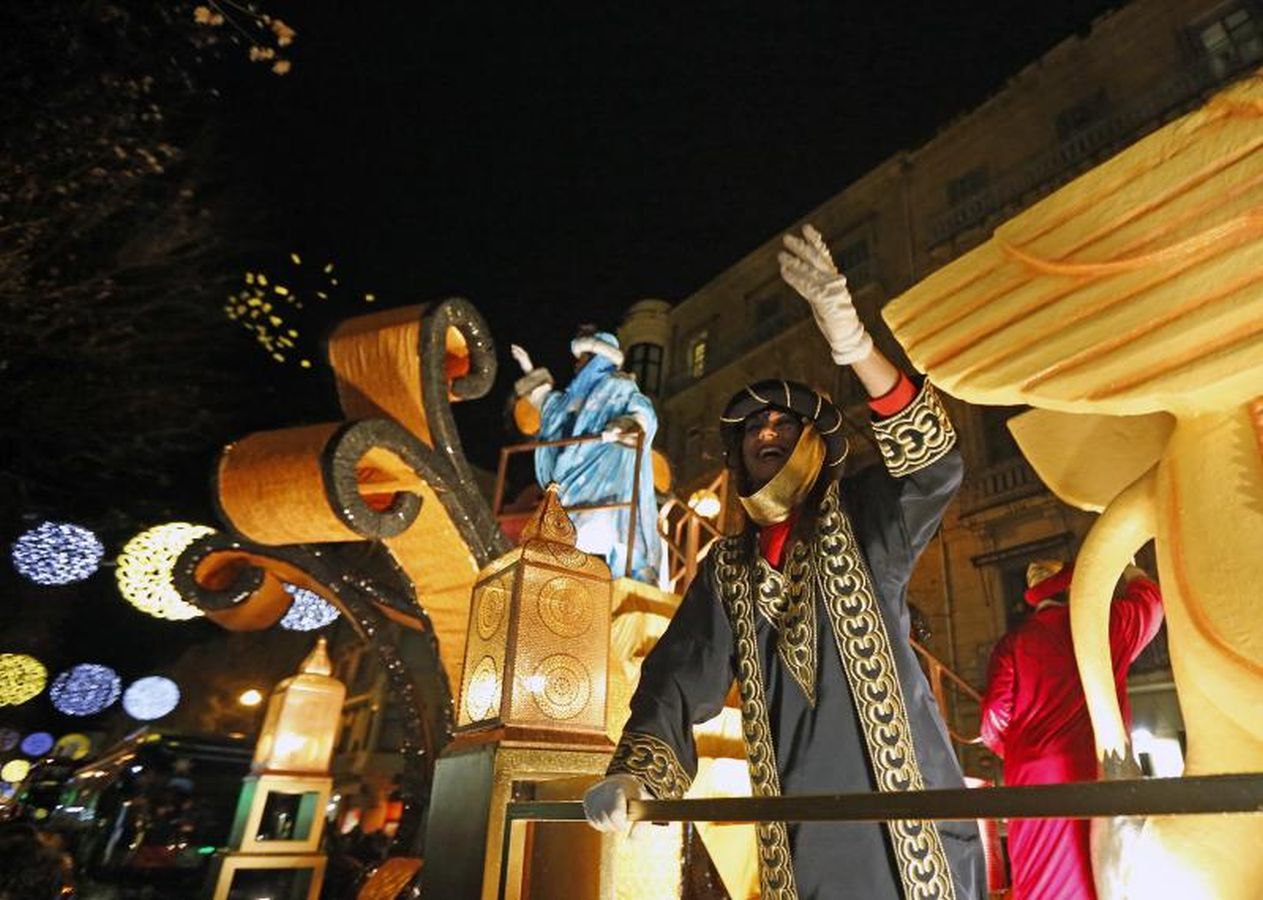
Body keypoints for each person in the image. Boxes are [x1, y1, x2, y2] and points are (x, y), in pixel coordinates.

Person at [584, 224, 985, 899]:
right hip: (796, 836)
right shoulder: (726, 569)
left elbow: (932, 463)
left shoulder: (865, 519)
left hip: (905, 826)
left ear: (816, 445)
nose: (766, 431)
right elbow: (679, 676)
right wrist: (636, 772)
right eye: (752, 429)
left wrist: (854, 345)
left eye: (784, 423)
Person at [979, 558, 1163, 900]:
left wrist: (1023, 750)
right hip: (1097, 766)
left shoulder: (1014, 643)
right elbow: (1150, 602)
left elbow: (993, 720)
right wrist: (1129, 566)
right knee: (1104, 869)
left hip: (1033, 775)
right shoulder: (1103, 626)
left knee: (1045, 875)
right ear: (1070, 588)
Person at [511, 326, 663, 584]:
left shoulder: (619, 385)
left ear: (597, 358)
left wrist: (625, 425)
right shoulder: (571, 395)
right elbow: (548, 404)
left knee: (617, 529)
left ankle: (631, 574)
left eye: (583, 358)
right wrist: (528, 368)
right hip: (570, 478)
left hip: (607, 474)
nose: (577, 364)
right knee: (570, 533)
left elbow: (644, 414)